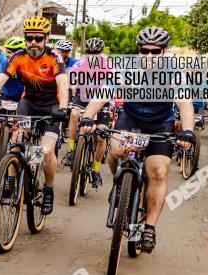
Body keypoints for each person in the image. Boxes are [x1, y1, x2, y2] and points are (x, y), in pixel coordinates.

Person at [79, 26, 195, 253]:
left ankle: (149, 227)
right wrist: (86, 117)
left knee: (158, 171)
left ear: (164, 51)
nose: (149, 56)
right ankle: (121, 183)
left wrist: (187, 129)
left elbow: (184, 102)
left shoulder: (174, 71)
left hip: (160, 123)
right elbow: (104, 92)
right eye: (145, 51)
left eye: (155, 51)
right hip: (130, 118)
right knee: (115, 150)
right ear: (138, 50)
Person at [0, 16, 70, 215]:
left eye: (38, 39)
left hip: (52, 107)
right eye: (29, 38)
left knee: (45, 152)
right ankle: (11, 181)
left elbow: (62, 84)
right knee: (16, 143)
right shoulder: (18, 57)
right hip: (28, 103)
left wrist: (63, 109)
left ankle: (48, 189)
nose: (33, 42)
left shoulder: (54, 57)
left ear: (46, 38)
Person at [65, 37, 110, 186]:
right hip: (83, 98)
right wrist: (71, 90)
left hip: (102, 101)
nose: (92, 55)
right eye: (90, 52)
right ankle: (72, 150)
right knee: (74, 114)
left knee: (102, 136)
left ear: (101, 52)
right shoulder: (81, 63)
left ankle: (96, 170)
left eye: (96, 53)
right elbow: (71, 76)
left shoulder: (108, 64)